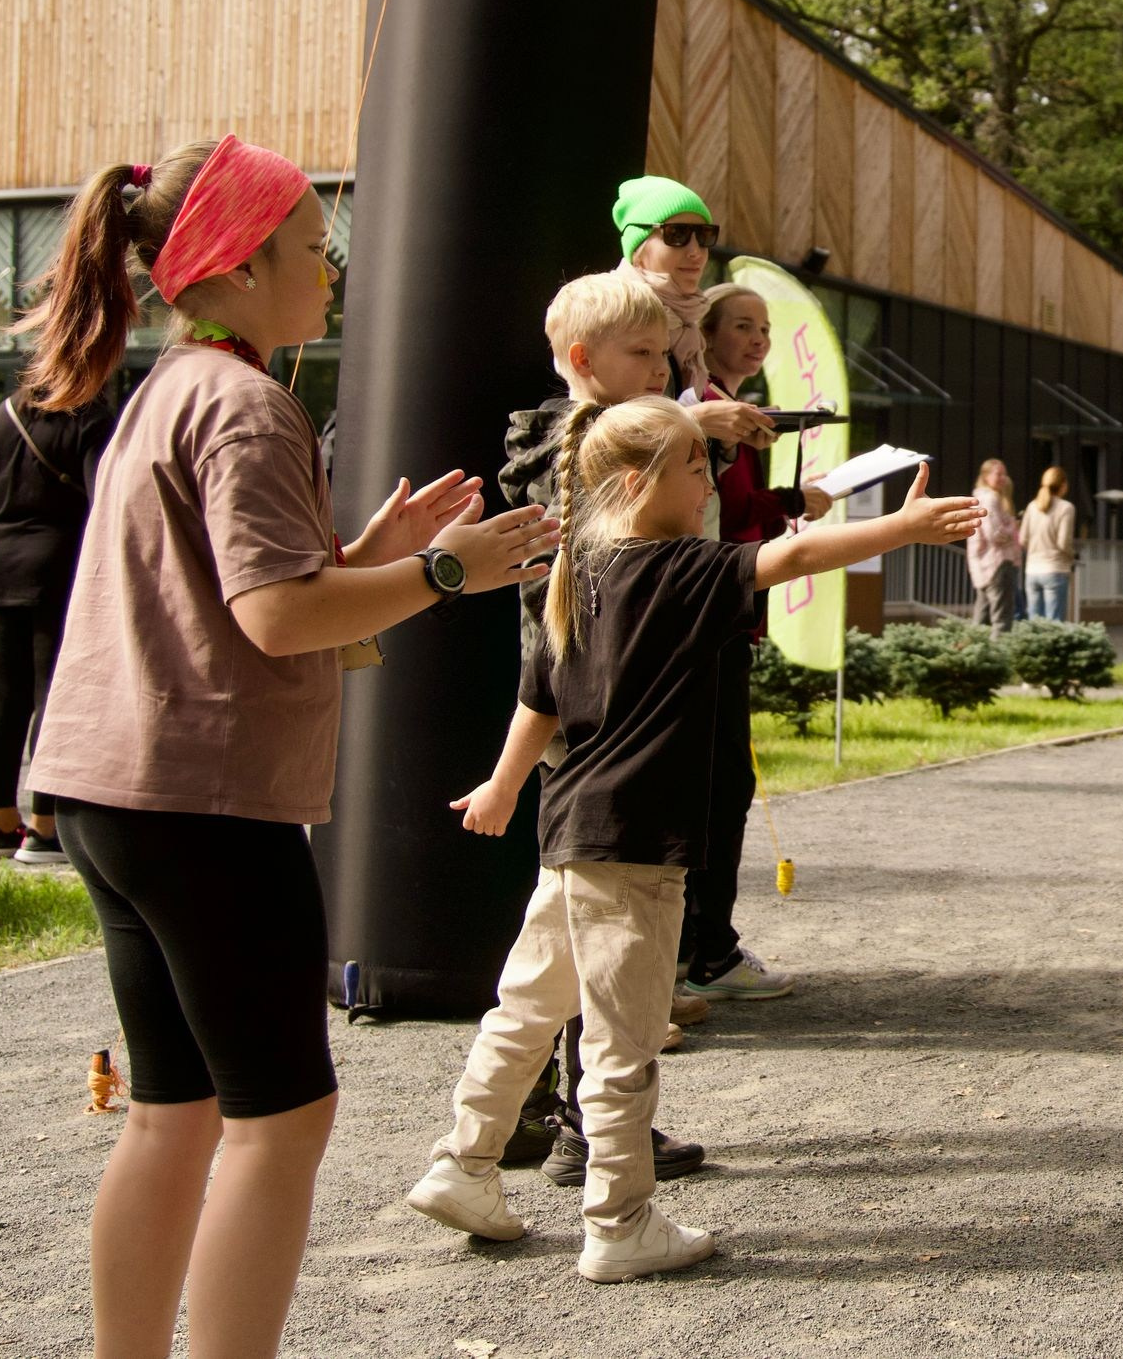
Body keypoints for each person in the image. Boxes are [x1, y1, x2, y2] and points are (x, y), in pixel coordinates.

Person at [22, 138, 560, 1359]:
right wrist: (439, 571)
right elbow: (274, 617)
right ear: (239, 262)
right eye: (315, 250)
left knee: (173, 1110)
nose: (333, 272)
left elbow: (240, 593)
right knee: (283, 1115)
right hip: (205, 802)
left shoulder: (171, 386)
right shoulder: (246, 402)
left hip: (112, 791)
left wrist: (368, 553)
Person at [404, 401, 981, 1283]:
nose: (711, 481)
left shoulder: (578, 570)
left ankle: (463, 1164)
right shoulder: (678, 569)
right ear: (638, 483)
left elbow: (540, 700)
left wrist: (503, 783)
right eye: (694, 466)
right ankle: (618, 1220)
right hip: (635, 846)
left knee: (525, 1011)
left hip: (570, 835)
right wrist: (898, 526)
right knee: (622, 1041)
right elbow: (788, 555)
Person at [499, 269, 751, 1185]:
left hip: (597, 706)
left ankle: (548, 1118)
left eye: (665, 352)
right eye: (644, 355)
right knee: (585, 939)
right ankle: (586, 1129)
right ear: (583, 360)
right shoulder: (567, 447)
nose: (661, 368)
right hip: (587, 714)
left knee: (570, 940)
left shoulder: (611, 439)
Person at [681, 284, 828, 1003]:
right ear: (705, 335)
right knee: (716, 788)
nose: (758, 338)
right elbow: (731, 513)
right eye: (741, 325)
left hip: (730, 615)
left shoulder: (741, 416)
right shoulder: (705, 414)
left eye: (765, 327)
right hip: (707, 615)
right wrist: (797, 504)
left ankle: (701, 946)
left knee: (722, 786)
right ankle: (703, 949)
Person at [0, 379, 116, 862]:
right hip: (59, 561)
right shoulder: (88, 416)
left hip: (2, 561)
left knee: (5, 694)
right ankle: (44, 828)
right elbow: (104, 498)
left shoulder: (3, 413)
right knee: (51, 690)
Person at [614, 175, 719, 398]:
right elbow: (613, 417)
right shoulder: (610, 310)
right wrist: (695, 420)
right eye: (677, 234)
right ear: (638, 249)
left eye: (704, 235)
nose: (695, 251)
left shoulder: (688, 324)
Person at [966, 458, 1021, 638]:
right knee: (1002, 619)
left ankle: (972, 656)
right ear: (986, 476)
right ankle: (999, 659)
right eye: (999, 473)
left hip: (982, 564)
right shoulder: (990, 498)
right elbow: (995, 534)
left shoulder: (978, 498)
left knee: (981, 617)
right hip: (998, 562)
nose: (1003, 478)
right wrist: (1013, 526)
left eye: (1005, 474)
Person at [1021, 465, 1077, 621]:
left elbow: (1022, 539)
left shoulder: (1032, 506)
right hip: (1055, 568)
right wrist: (1073, 555)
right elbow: (1063, 542)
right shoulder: (1066, 507)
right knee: (1054, 623)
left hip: (1032, 571)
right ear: (1064, 485)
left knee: (1034, 624)